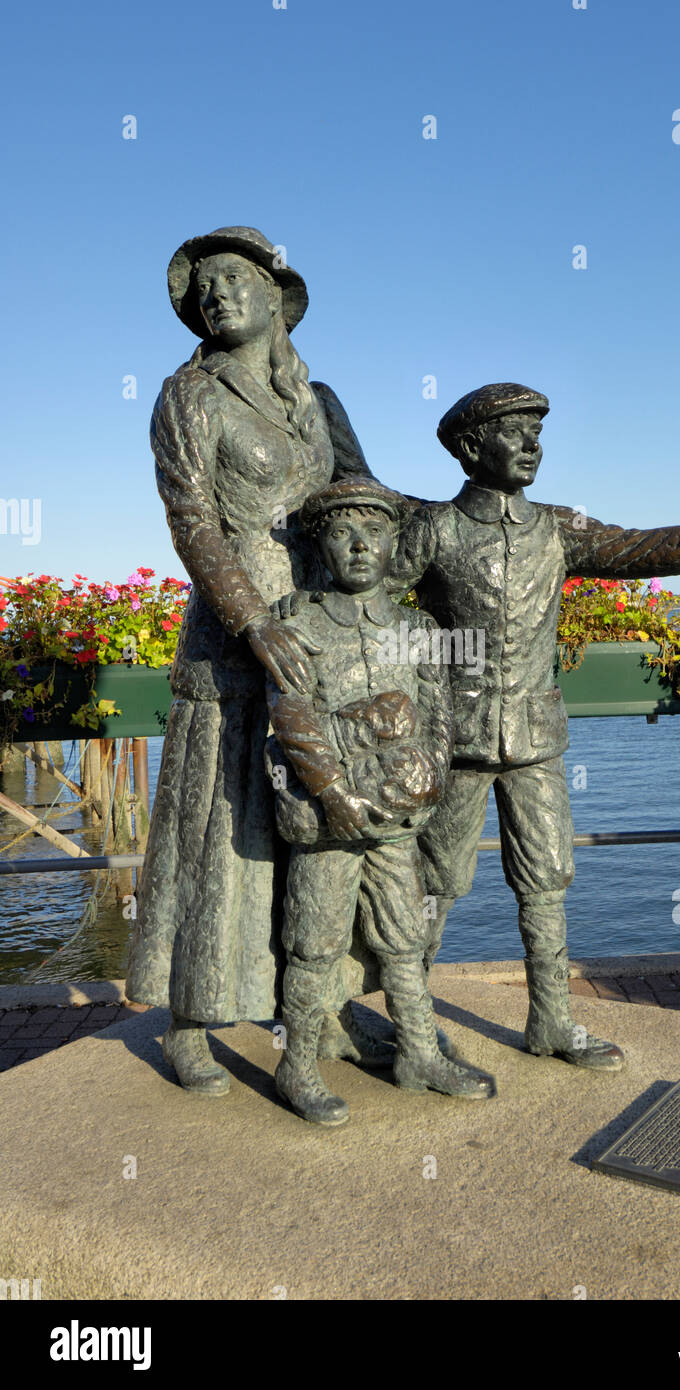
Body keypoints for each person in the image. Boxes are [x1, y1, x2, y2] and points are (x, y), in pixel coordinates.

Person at [390, 382, 680, 1070]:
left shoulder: (556, 528)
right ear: (471, 447)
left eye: (538, 432)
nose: (533, 445)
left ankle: (552, 1023)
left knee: (546, 877)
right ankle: (407, 1025)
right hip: (455, 741)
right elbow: (374, 611)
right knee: (433, 881)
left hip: (534, 738)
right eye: (515, 431)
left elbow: (641, 549)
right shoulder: (434, 530)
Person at [125, 227, 377, 1094]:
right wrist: (249, 622)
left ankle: (322, 1009)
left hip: (324, 643)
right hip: (235, 645)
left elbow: (368, 503)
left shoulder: (321, 402)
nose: (217, 295)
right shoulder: (186, 394)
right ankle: (190, 1018)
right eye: (203, 289)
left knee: (317, 836)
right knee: (218, 834)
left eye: (234, 279)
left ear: (279, 295)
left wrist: (478, 516)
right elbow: (192, 521)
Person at [265, 478, 495, 1125]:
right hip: (327, 822)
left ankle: (418, 1051)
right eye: (341, 533)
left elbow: (437, 718)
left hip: (396, 822)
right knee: (313, 941)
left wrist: (425, 785)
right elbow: (289, 715)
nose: (359, 546)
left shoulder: (417, 628)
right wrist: (334, 790)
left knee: (403, 937)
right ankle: (298, 1063)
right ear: (322, 545)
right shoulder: (297, 620)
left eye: (374, 532)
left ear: (395, 542)